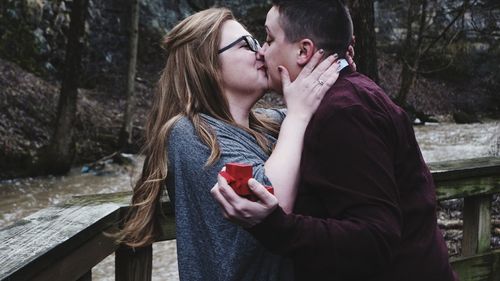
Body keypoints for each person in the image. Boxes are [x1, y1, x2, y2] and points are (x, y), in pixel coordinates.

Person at [211, 1, 458, 280]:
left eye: (268, 39)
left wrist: (275, 226)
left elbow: (375, 239)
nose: (262, 51)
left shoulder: (344, 112)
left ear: (303, 50)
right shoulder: (345, 98)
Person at [118, 7, 343, 281]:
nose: (261, 52)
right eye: (246, 45)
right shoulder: (189, 133)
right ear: (207, 64)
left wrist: (331, 64)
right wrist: (298, 115)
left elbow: (315, 102)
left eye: (260, 42)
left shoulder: (268, 124)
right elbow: (270, 202)